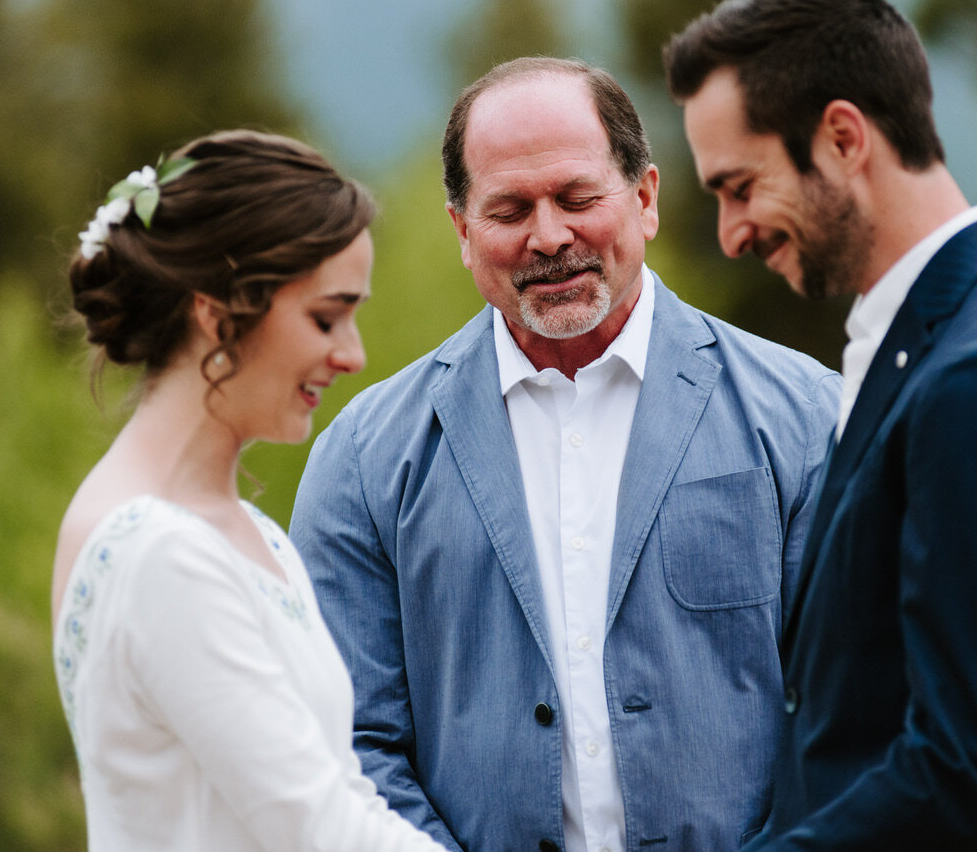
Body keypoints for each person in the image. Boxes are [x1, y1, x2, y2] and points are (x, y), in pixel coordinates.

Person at [289, 57, 840, 852]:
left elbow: (850, 713)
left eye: (578, 198)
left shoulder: (805, 417)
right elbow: (349, 741)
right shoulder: (364, 459)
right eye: (509, 208)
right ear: (462, 230)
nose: (549, 236)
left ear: (645, 198)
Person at [665, 0, 977, 851]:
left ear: (843, 138)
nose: (730, 231)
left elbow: (967, 766)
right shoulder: (932, 347)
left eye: (739, 186)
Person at [53, 129, 445, 852]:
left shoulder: (251, 534)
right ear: (217, 312)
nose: (353, 354)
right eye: (326, 317)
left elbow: (342, 788)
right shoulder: (157, 552)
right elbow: (317, 829)